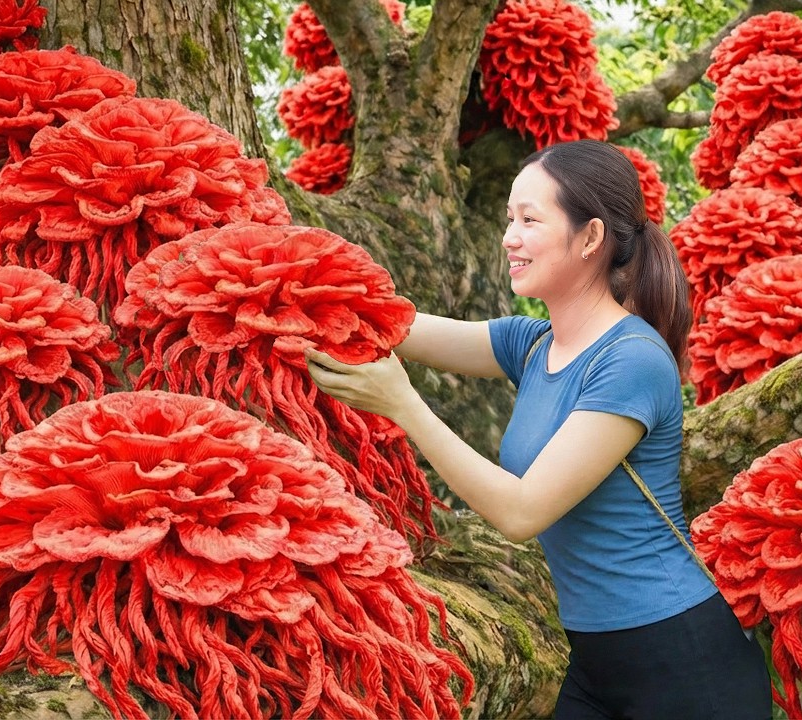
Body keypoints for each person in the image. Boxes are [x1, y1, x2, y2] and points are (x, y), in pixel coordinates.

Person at [305, 139, 771, 719]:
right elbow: (392, 323)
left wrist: (403, 405)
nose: (509, 236)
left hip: (681, 661)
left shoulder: (631, 360)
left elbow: (523, 513)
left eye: (530, 219)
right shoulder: (532, 346)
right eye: (508, 218)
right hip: (596, 660)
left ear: (591, 238)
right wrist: (295, 279)